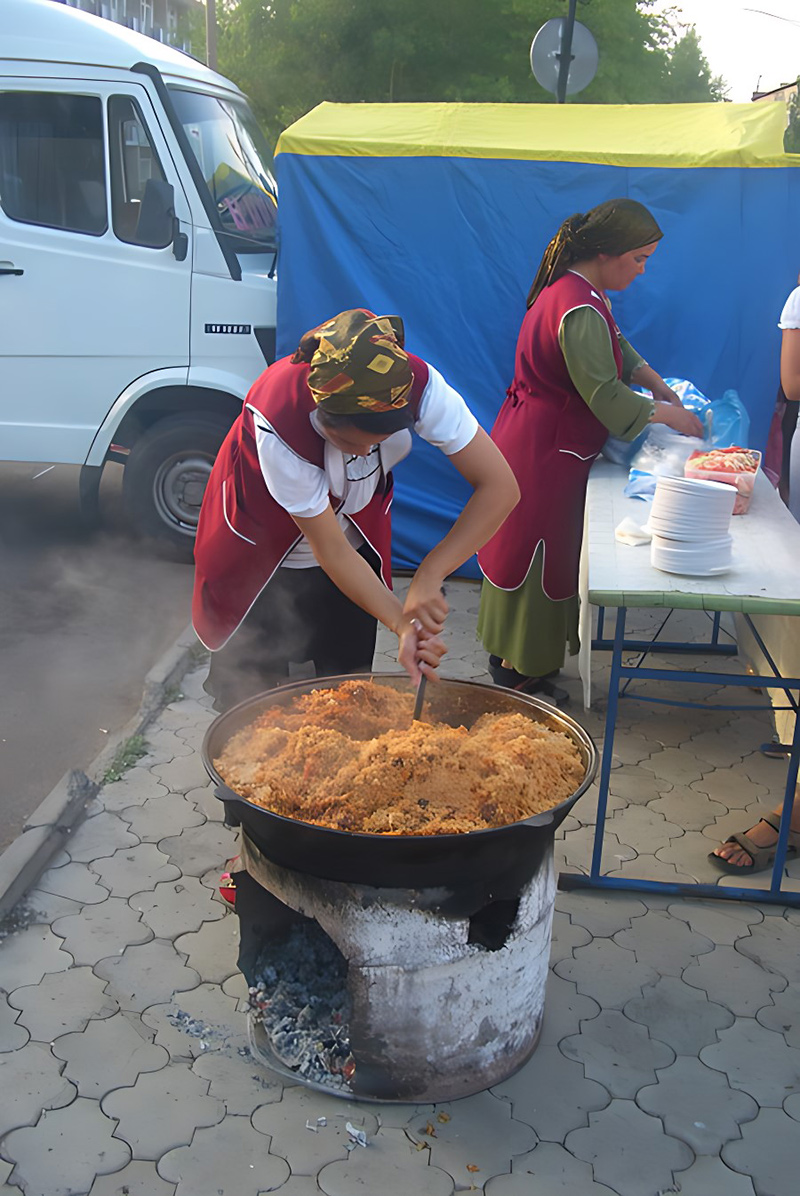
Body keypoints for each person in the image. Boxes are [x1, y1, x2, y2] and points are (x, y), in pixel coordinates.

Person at [192, 308, 519, 711]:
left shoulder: (415, 386)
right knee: (253, 701)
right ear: (322, 418)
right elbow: (330, 550)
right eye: (350, 445)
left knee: (344, 688)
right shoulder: (279, 419)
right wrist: (400, 621)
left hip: (351, 543)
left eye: (377, 444)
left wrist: (430, 573)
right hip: (261, 549)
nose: (364, 455)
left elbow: (501, 488)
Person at [476, 198, 704, 703]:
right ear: (607, 253)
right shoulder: (577, 305)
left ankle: (511, 655)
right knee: (534, 557)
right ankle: (518, 675)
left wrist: (658, 385)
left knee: (524, 551)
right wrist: (674, 415)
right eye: (639, 259)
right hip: (545, 451)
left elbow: (617, 348)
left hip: (537, 441)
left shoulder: (582, 293)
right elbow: (604, 394)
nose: (642, 270)